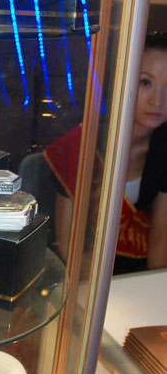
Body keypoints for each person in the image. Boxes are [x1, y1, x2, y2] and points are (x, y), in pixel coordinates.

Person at [44, 33, 167, 274]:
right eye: (146, 83)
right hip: (87, 278)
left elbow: (160, 240)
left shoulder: (163, 146)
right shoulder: (83, 145)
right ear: (122, 81)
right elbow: (69, 247)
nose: (158, 101)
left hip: (140, 273)